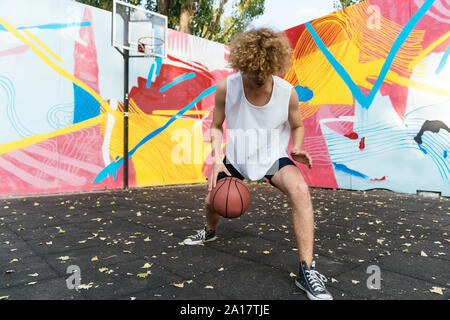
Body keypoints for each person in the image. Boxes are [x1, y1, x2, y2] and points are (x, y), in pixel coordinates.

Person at [183, 28, 332, 300]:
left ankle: (307, 271)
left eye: (265, 76)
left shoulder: (287, 93)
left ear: (274, 66)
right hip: (238, 155)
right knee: (212, 200)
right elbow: (215, 126)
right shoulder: (228, 87)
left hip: (272, 156)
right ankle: (210, 231)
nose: (260, 81)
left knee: (301, 192)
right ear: (243, 67)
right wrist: (217, 161)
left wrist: (296, 146)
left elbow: (297, 125)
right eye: (254, 76)